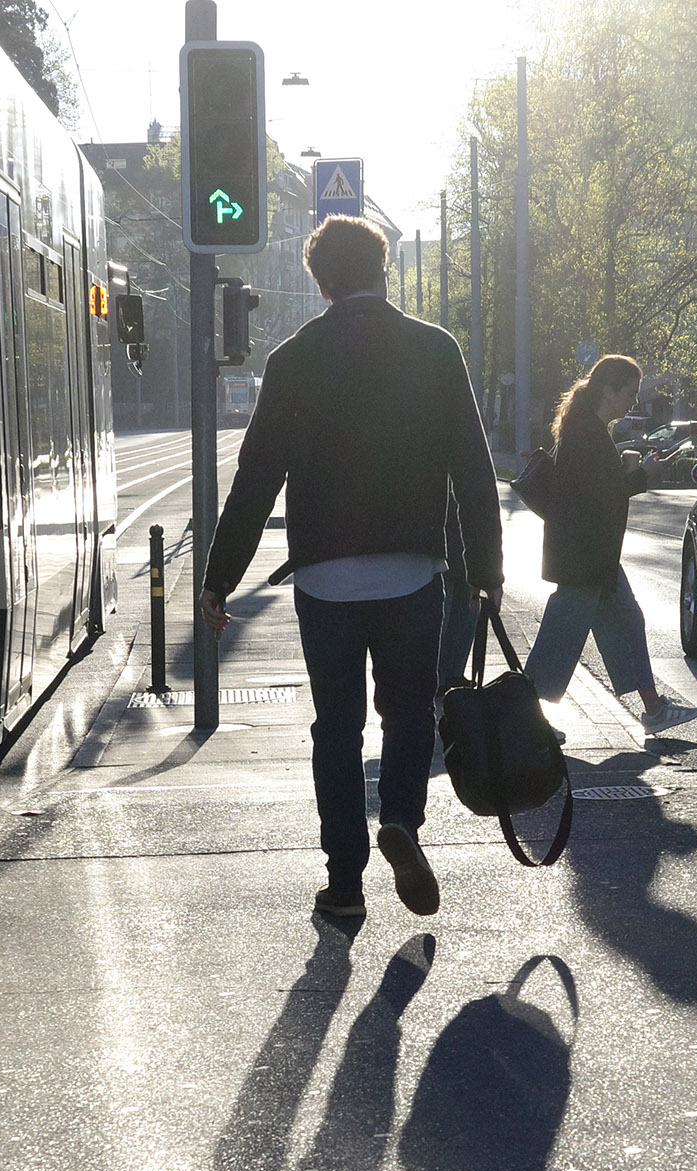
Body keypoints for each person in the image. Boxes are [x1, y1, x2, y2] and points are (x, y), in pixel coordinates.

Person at [201, 215, 502, 923]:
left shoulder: (294, 359)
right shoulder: (434, 349)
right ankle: (400, 818)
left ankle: (344, 883)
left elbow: (255, 479)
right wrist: (484, 570)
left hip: (325, 580)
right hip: (412, 572)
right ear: (384, 268)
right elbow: (475, 471)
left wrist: (219, 577)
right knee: (406, 713)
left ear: (321, 282)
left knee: (335, 729)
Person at [524, 352, 697, 734]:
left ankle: (654, 709)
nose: (634, 402)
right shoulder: (587, 431)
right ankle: (527, 718)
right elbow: (599, 495)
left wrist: (629, 472)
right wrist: (642, 476)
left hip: (588, 553)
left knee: (626, 623)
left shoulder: (585, 427)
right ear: (609, 390)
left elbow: (592, 488)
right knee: (562, 639)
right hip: (585, 556)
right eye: (630, 393)